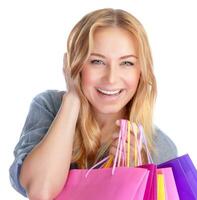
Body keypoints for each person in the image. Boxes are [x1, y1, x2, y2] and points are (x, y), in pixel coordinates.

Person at [9, 8, 178, 199]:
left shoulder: (159, 147)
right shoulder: (50, 107)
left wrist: (132, 172)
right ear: (76, 64)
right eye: (97, 61)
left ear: (141, 71)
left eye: (127, 63)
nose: (111, 79)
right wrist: (73, 99)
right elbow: (41, 191)